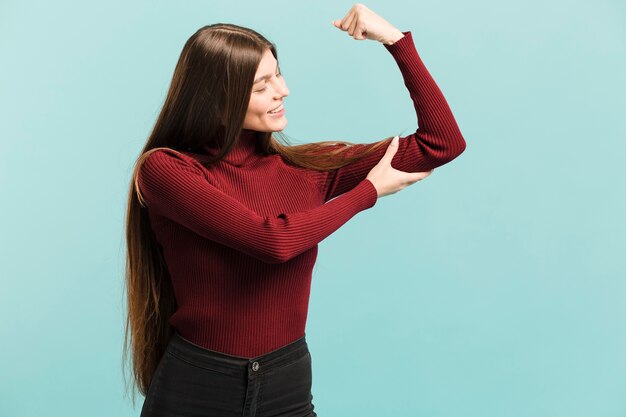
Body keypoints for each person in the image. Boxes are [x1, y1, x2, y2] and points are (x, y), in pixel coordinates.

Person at [123, 4, 466, 416]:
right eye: (262, 85)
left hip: (286, 382)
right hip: (199, 384)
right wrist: (368, 192)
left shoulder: (307, 168)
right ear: (218, 100)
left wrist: (396, 42)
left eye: (278, 75)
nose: (282, 91)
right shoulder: (168, 171)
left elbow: (441, 143)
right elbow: (273, 240)